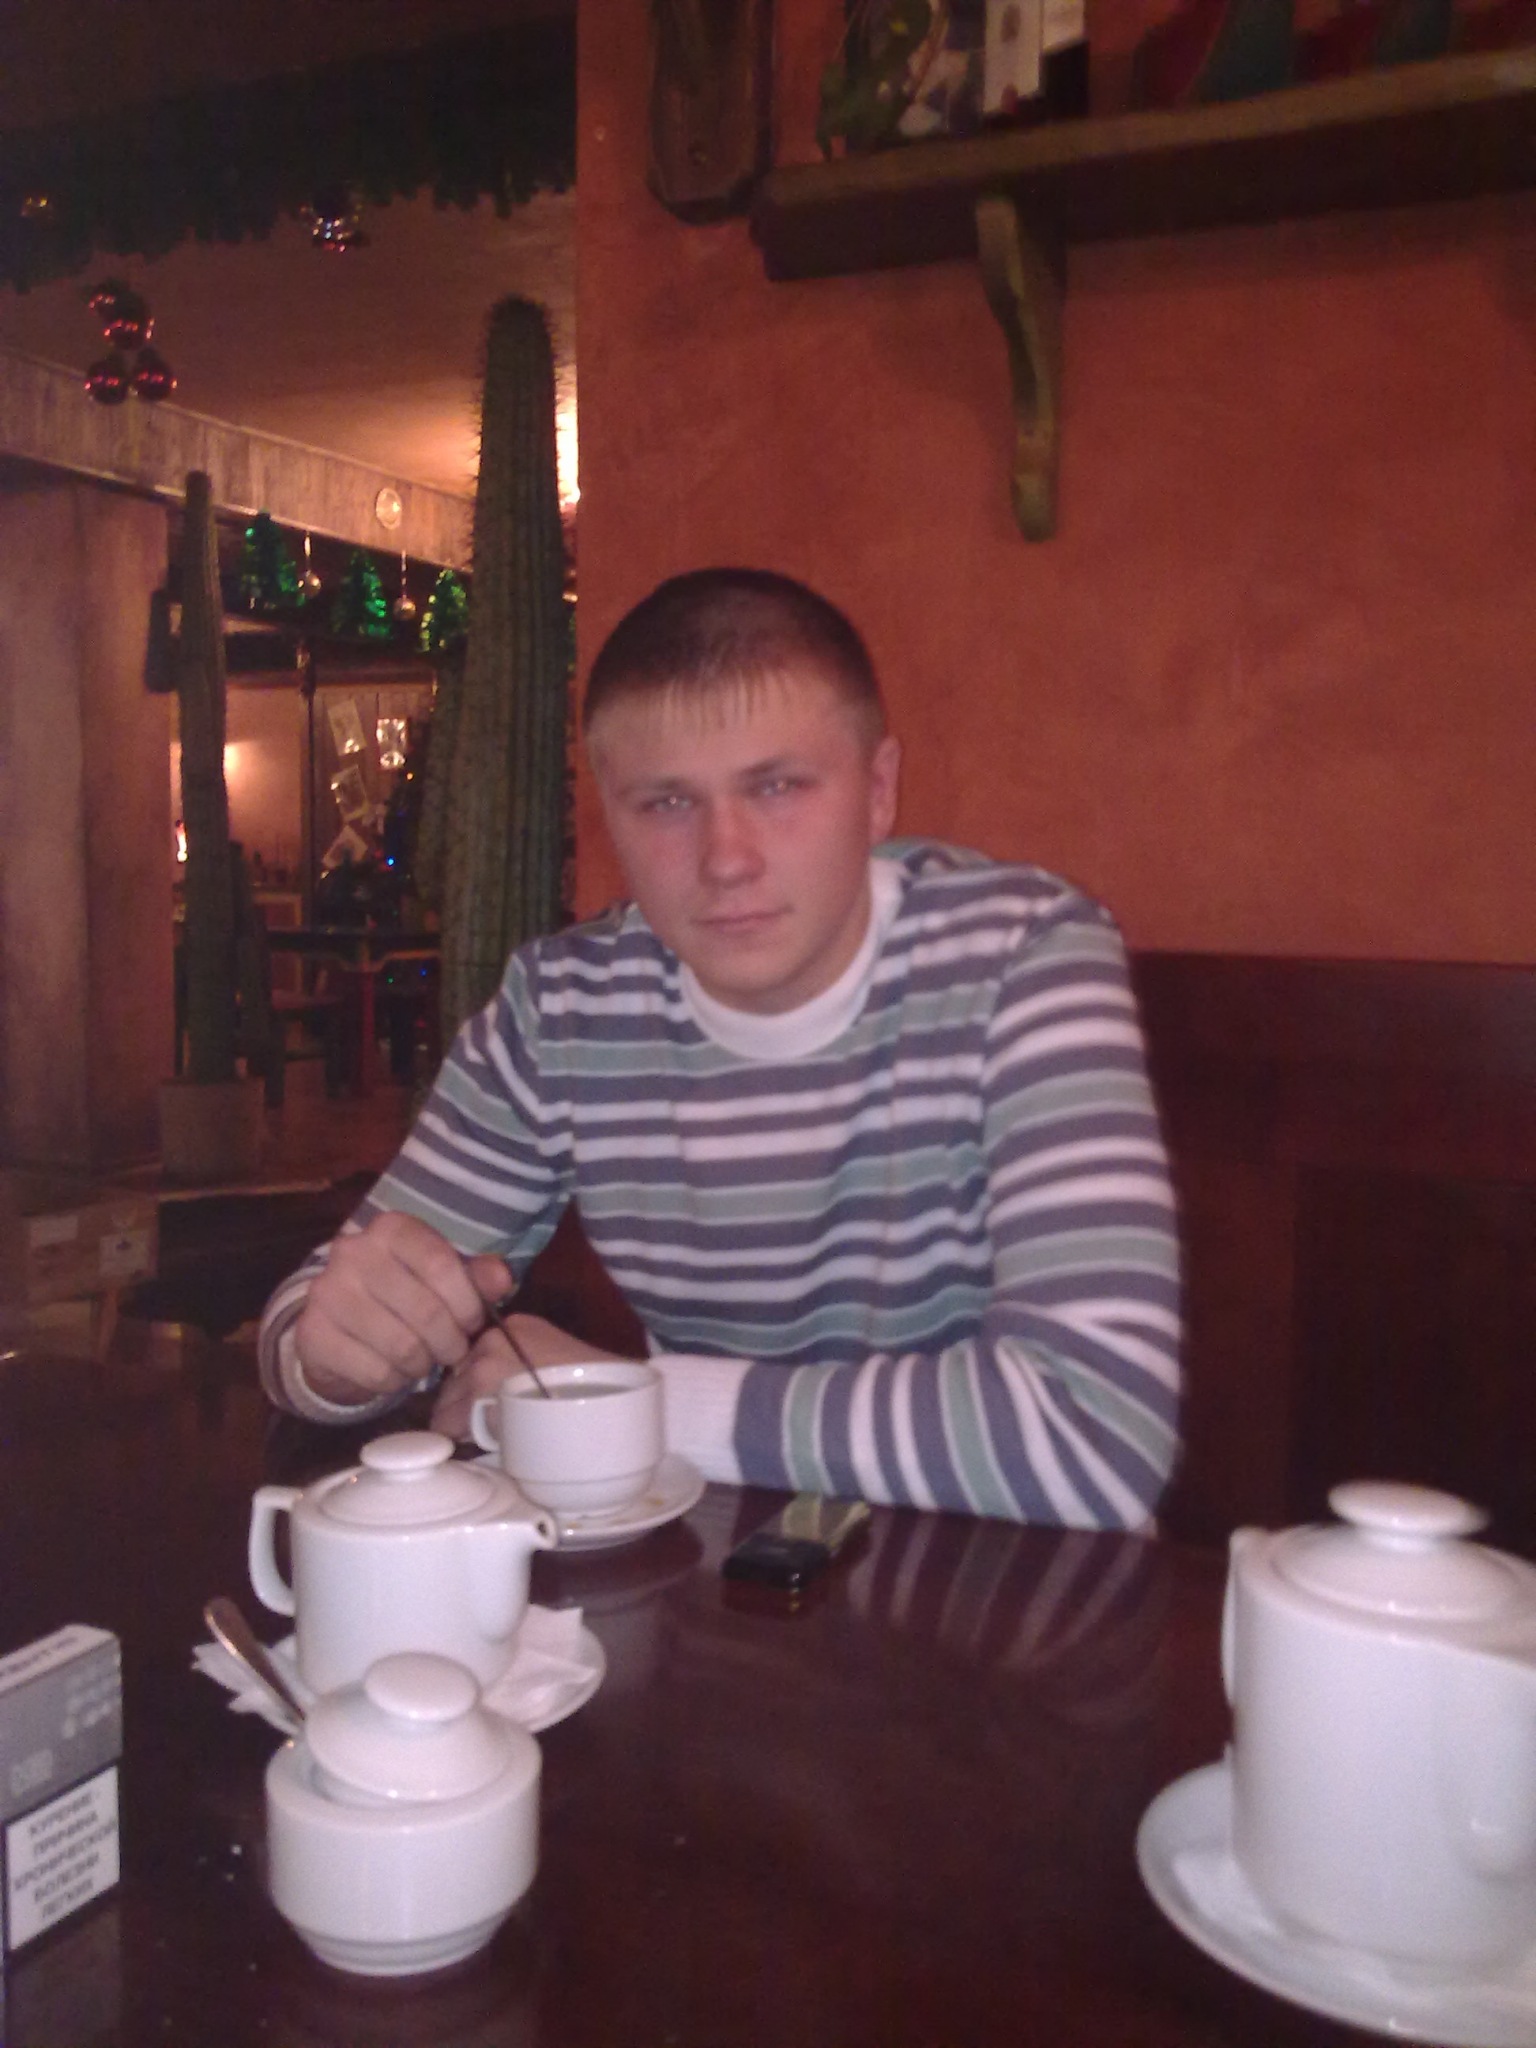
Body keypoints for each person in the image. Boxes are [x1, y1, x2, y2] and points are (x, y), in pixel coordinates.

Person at [258, 569, 1181, 1528]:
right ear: (609, 814)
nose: (726, 858)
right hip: (708, 1574)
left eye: (777, 787)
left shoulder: (1025, 959)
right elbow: (308, 1324)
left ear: (877, 792)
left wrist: (626, 1405)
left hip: (996, 1576)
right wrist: (332, 1355)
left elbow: (1097, 1436)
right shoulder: (566, 1008)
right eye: (666, 803)